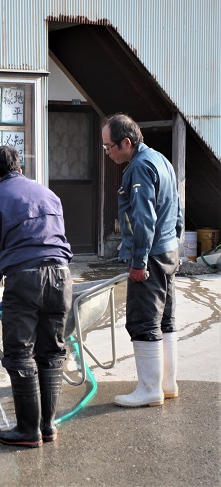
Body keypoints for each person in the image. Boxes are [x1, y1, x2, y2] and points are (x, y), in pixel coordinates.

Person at [0, 145, 73, 448]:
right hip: (61, 275)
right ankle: (48, 426)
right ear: (17, 166)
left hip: (24, 278)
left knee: (19, 352)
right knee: (51, 350)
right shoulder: (47, 193)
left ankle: (27, 431)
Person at [102, 113, 183, 407]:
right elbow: (177, 205)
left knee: (143, 320)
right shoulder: (161, 160)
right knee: (166, 319)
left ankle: (149, 390)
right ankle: (167, 384)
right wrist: (175, 241)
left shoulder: (138, 169)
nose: (108, 153)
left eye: (109, 147)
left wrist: (139, 262)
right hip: (168, 250)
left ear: (126, 142)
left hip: (150, 255)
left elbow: (143, 220)